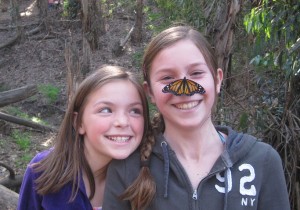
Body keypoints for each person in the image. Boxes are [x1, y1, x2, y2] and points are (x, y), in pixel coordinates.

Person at [102, 26, 291, 210]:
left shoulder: (262, 160)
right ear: (150, 91)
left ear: (217, 80)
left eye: (197, 73)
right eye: (167, 77)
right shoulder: (127, 169)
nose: (185, 90)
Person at [17, 65, 150, 210]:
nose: (123, 122)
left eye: (135, 111)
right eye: (106, 110)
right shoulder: (43, 170)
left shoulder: (150, 177)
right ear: (78, 122)